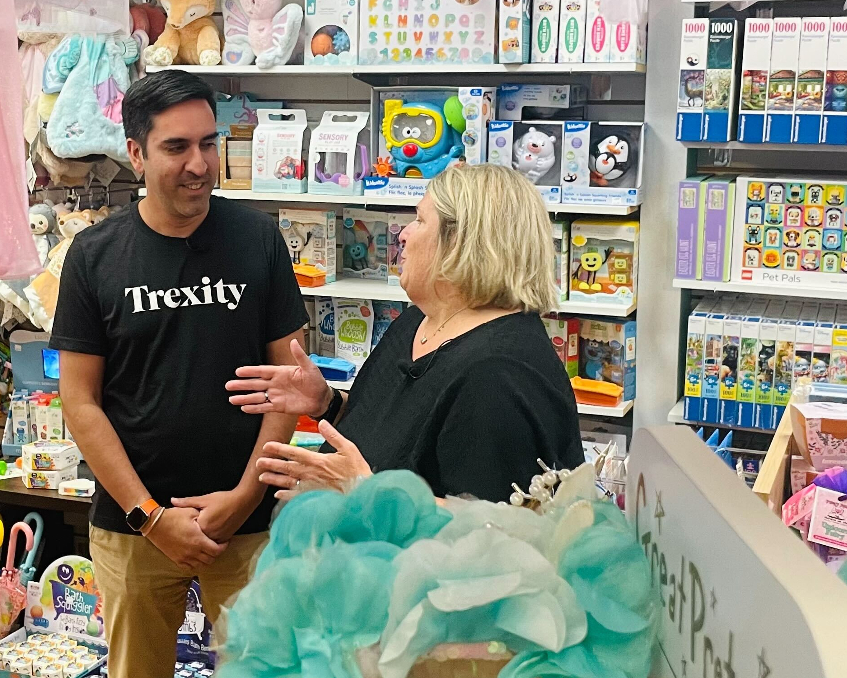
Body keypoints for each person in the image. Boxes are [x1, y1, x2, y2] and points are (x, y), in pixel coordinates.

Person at [51, 70, 307, 678]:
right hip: (134, 528)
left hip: (247, 523)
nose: (200, 164)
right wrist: (150, 515)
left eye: (208, 143)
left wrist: (245, 498)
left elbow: (289, 380)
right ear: (136, 154)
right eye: (177, 147)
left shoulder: (257, 238)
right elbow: (80, 402)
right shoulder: (94, 256)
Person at [227, 163, 584, 503]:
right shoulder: (418, 322)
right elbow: (399, 436)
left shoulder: (498, 373)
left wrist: (365, 491)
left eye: (419, 220)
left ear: (458, 242)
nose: (403, 233)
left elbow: (496, 529)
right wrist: (327, 403)